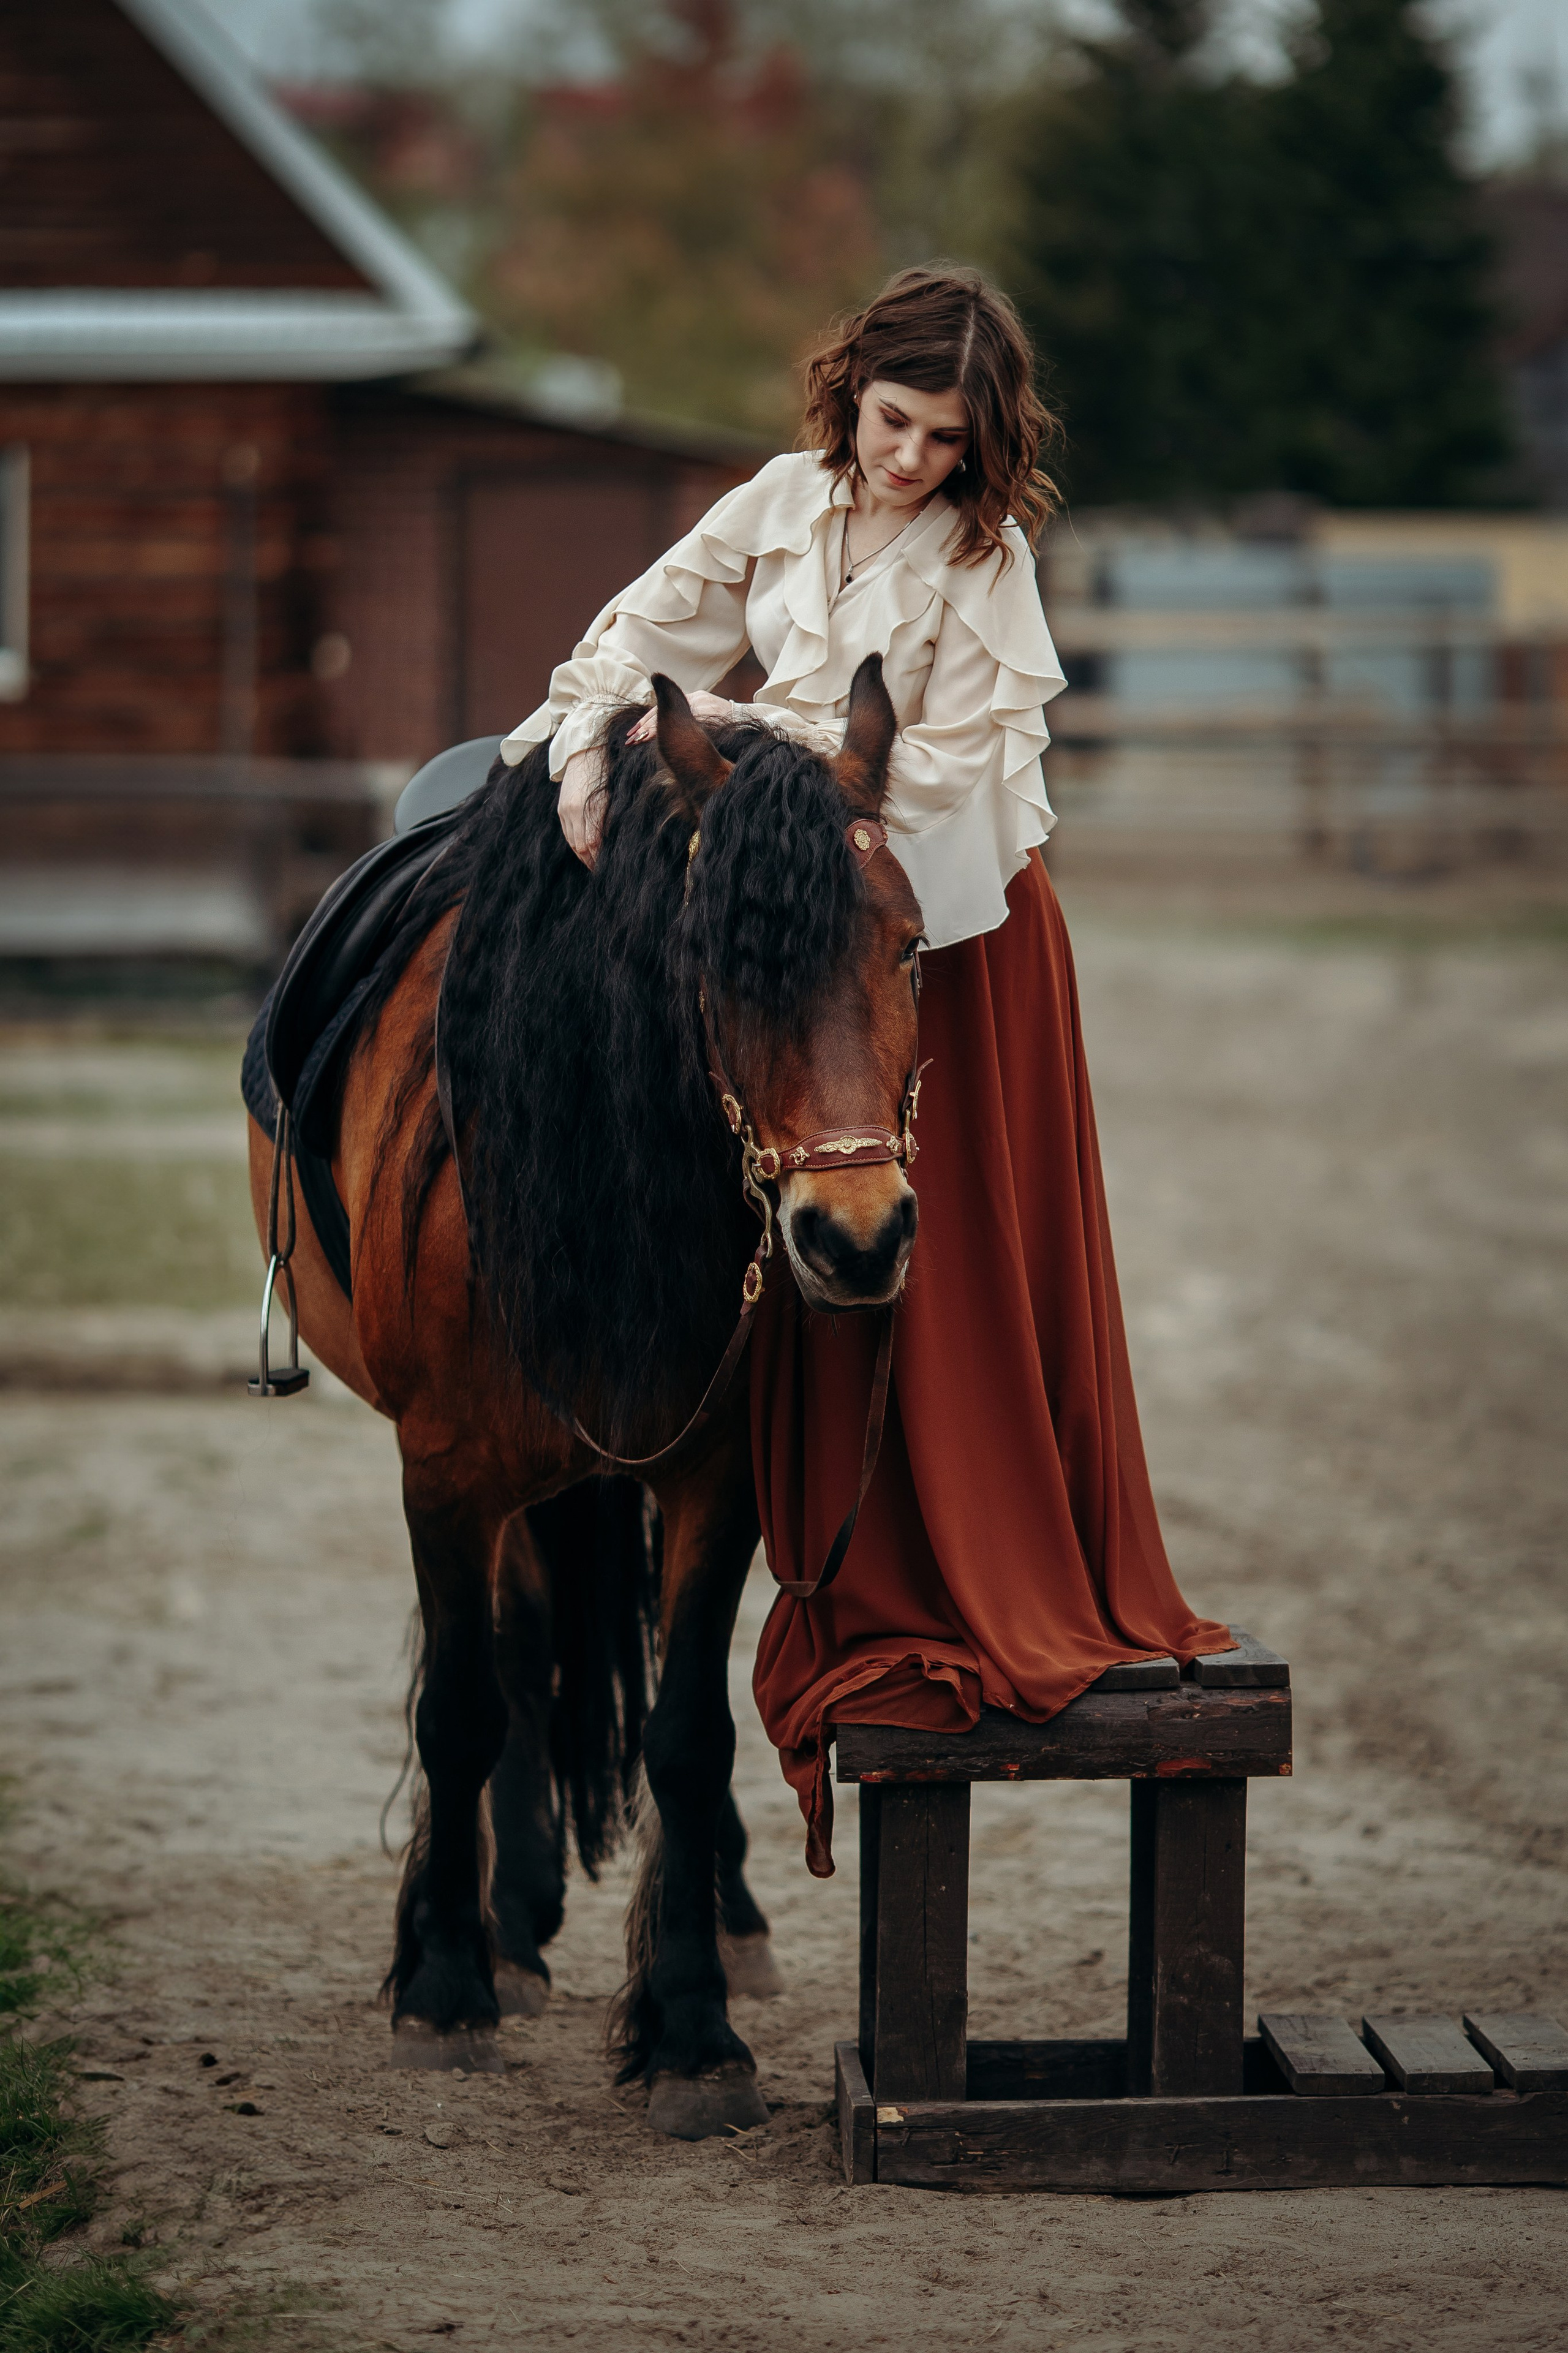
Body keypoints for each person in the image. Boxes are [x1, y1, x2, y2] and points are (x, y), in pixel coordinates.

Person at [500, 264, 1231, 1871]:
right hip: (794, 892)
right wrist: (598, 727)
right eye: (896, 424)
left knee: (940, 1265)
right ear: (852, 395)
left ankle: (970, 1549)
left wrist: (788, 783)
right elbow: (648, 634)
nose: (911, 461)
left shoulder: (990, 557)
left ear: (985, 445)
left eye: (947, 440)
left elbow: (957, 770)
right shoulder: (776, 501)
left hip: (943, 927)